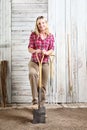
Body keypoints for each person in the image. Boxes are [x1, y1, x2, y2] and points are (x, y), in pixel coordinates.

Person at [28, 16, 54, 106]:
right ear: (37, 25)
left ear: (45, 23)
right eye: (39, 23)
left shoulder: (50, 36)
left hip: (45, 62)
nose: (41, 25)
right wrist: (35, 51)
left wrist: (46, 52)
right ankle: (35, 100)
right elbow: (30, 48)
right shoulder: (33, 35)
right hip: (34, 62)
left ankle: (41, 105)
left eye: (43, 22)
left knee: (42, 85)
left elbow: (52, 49)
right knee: (32, 74)